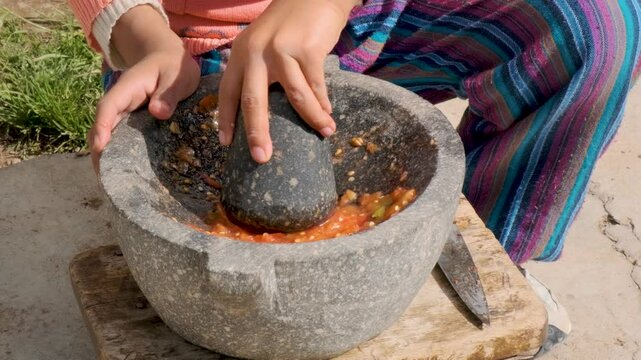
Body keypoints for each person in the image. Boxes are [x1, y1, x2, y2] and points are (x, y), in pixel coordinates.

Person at [68, 0, 641, 355]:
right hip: (196, 48)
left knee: (593, 26)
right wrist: (141, 36)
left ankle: (493, 263)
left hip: (379, 16)